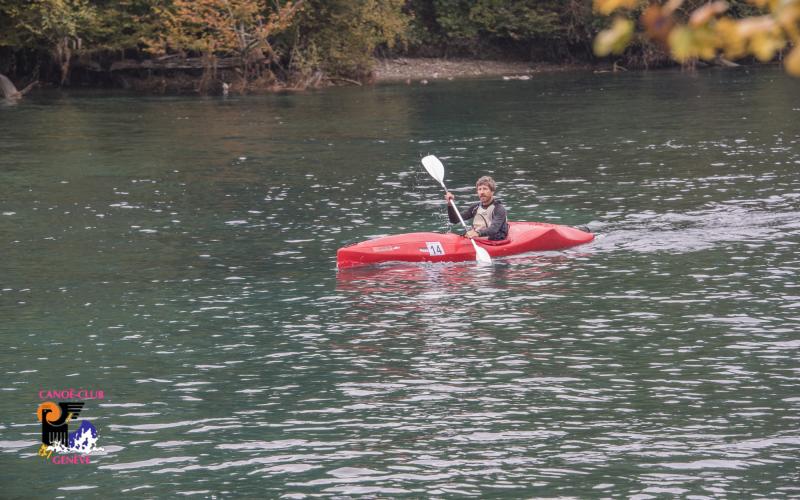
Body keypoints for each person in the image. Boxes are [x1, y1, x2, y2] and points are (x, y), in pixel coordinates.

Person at [445, 175, 509, 240]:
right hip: (479, 237)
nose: (482, 192)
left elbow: (494, 229)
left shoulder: (499, 209)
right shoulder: (475, 207)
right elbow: (454, 220)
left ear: (492, 192)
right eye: (479, 189)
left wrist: (477, 233)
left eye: (485, 189)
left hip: (496, 239)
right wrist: (450, 205)